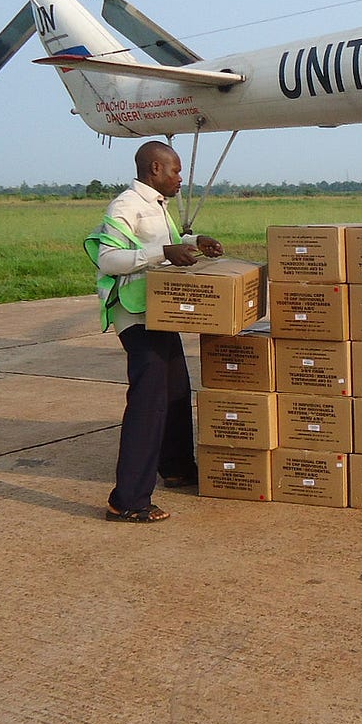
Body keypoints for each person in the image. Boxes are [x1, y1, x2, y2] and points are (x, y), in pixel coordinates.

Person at [86, 141, 222, 523]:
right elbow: (109, 259)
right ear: (154, 170)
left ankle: (177, 467)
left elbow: (162, 244)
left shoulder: (157, 206)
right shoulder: (126, 205)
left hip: (157, 311)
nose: (181, 178)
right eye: (176, 171)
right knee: (149, 402)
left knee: (177, 389)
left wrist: (195, 242)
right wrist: (164, 253)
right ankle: (127, 499)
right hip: (134, 314)